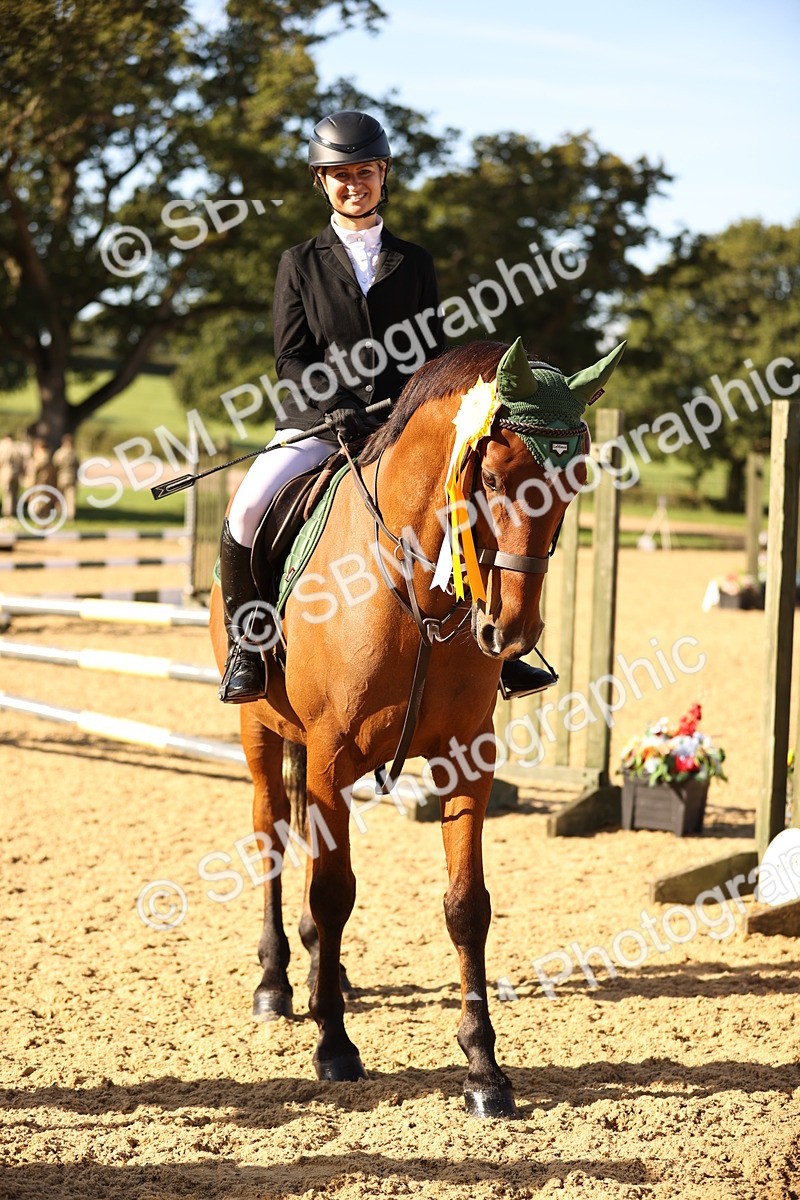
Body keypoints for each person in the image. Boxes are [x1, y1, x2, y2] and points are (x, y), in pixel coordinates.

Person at [218, 109, 556, 704]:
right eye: (341, 173)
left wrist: (418, 413)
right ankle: (249, 647)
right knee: (246, 511)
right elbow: (290, 358)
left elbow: (431, 355)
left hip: (401, 431)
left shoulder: (415, 261)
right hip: (321, 426)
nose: (355, 184)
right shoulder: (299, 263)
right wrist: (337, 403)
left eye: (366, 171)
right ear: (321, 181)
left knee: (473, 511)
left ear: (384, 175)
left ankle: (497, 656)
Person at [53, 434, 80, 521]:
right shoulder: (74, 454)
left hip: (61, 477)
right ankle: (70, 515)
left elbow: (55, 465)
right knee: (70, 498)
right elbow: (78, 465)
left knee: (59, 496)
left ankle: (59, 513)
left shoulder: (59, 453)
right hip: (71, 477)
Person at [0, 433, 24, 519]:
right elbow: (22, 462)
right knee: (14, 494)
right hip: (16, 473)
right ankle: (14, 511)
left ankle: (8, 514)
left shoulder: (4, 448)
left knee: (7, 494)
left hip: (6, 472)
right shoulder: (17, 448)